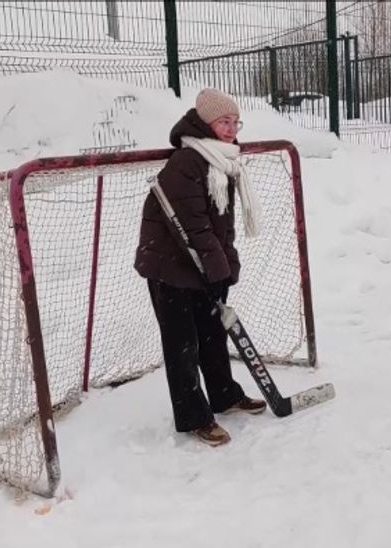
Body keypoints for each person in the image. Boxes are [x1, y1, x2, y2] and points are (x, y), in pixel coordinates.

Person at [134, 88, 267, 446]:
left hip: (199, 264)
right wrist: (217, 267)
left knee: (212, 333)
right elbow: (193, 223)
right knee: (183, 344)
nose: (231, 128)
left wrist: (226, 265)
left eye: (235, 121)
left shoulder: (223, 161)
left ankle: (224, 394)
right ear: (207, 122)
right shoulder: (188, 161)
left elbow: (221, 222)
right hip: (169, 265)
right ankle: (194, 416)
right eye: (224, 121)